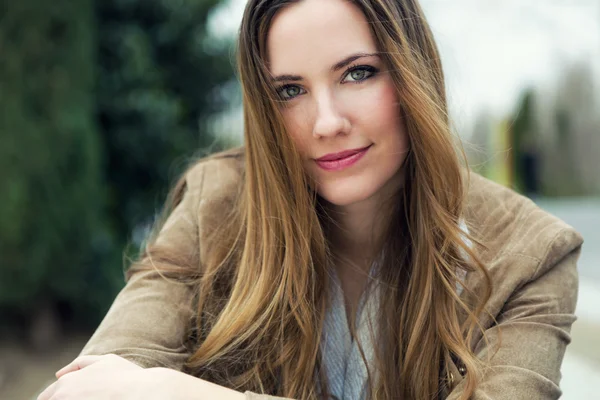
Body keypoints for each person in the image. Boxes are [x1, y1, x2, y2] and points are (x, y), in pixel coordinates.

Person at [38, 0, 583, 399]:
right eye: (289, 91)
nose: (326, 122)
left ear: (413, 76)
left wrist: (168, 390)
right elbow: (81, 392)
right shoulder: (215, 204)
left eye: (358, 73)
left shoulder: (529, 255)